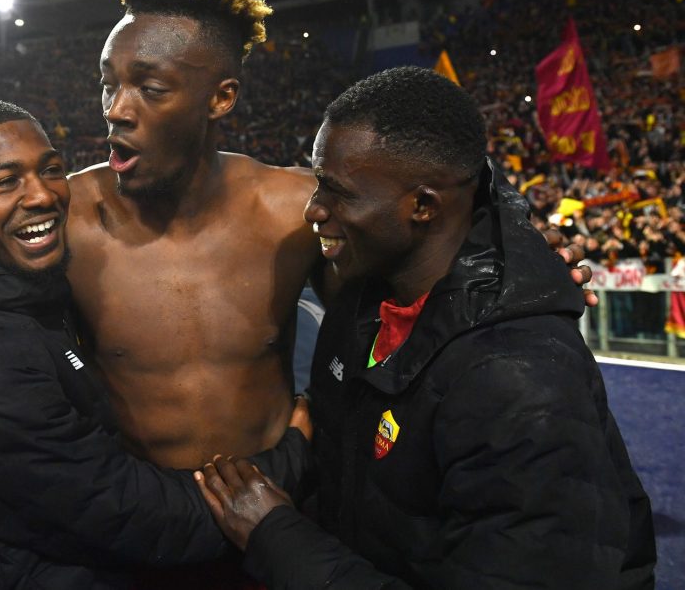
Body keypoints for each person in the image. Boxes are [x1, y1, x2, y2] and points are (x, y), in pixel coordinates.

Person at [196, 67, 656, 589]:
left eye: (338, 191)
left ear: (422, 206)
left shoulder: (518, 379)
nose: (313, 209)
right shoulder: (366, 298)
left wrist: (277, 538)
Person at [0, 98, 311, 589]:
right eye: (6, 182)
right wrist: (293, 460)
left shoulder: (21, 289)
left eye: (51, 170)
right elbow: (134, 518)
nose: (42, 194)